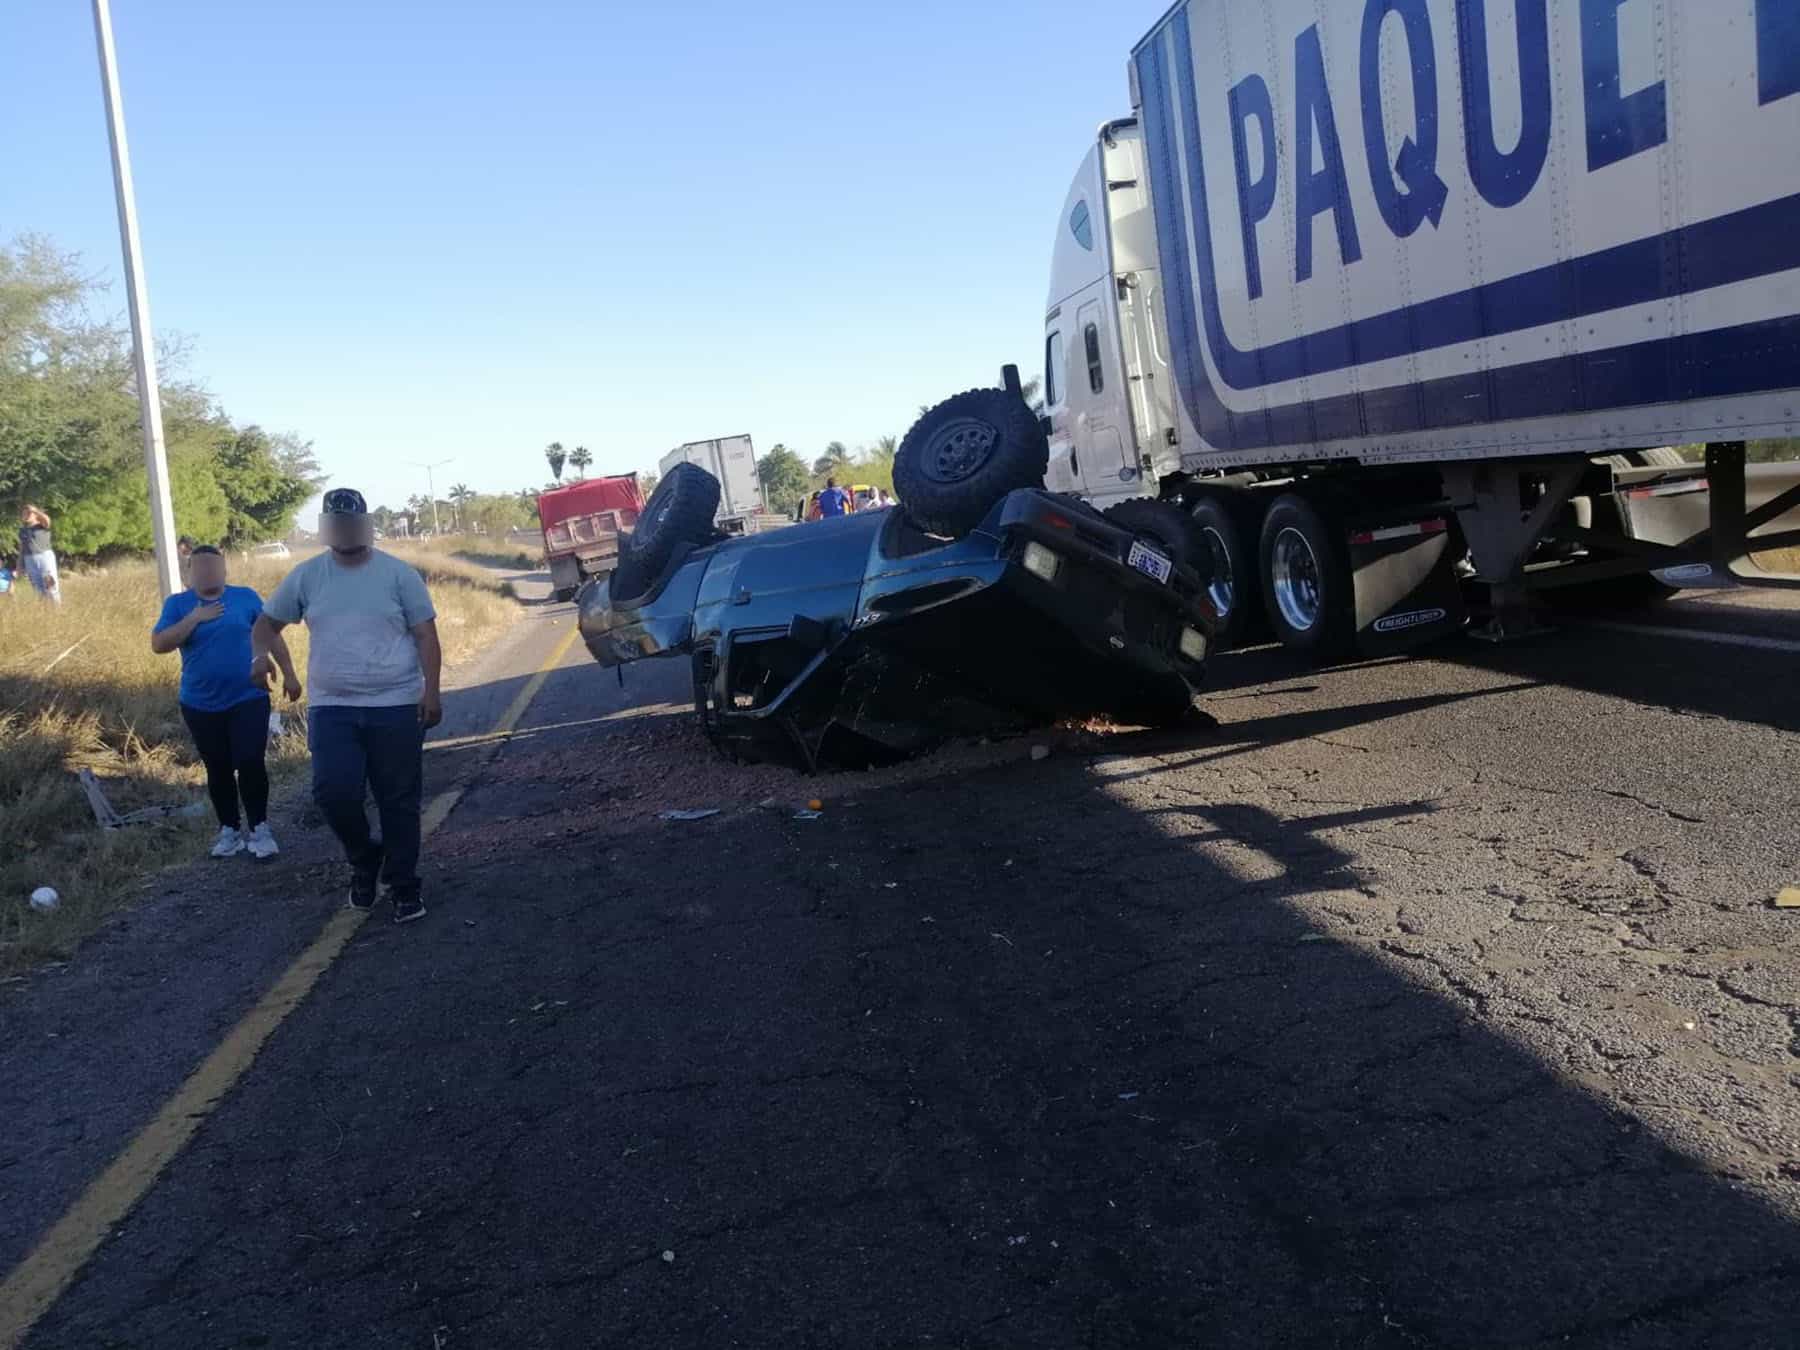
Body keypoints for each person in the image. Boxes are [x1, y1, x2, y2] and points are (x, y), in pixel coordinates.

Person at [253, 488, 442, 924]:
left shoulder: (399, 575)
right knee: (332, 792)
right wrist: (258, 656)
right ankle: (364, 858)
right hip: (332, 707)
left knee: (398, 799)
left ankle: (403, 884)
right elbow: (265, 625)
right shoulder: (306, 577)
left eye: (352, 521)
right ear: (326, 526)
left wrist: (431, 691)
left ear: (367, 525)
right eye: (336, 521)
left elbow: (426, 636)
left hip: (395, 705)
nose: (345, 529)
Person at [152, 546, 300, 860]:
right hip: (200, 703)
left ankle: (260, 829)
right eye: (201, 568)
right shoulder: (178, 605)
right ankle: (229, 831)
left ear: (224, 570)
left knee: (249, 761)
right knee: (217, 768)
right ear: (190, 573)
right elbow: (159, 644)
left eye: (214, 567)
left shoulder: (245, 597)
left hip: (249, 696)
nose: (208, 573)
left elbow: (272, 636)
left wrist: (289, 674)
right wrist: (194, 617)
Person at [18, 505, 59, 604]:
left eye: (29, 513)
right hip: (29, 559)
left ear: (35, 514)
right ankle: (44, 612)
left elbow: (47, 520)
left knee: (50, 585)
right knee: (37, 588)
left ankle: (57, 611)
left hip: (44, 556)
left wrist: (35, 510)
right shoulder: (22, 530)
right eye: (24, 513)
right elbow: (22, 548)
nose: (26, 515)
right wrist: (19, 564)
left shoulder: (42, 525)